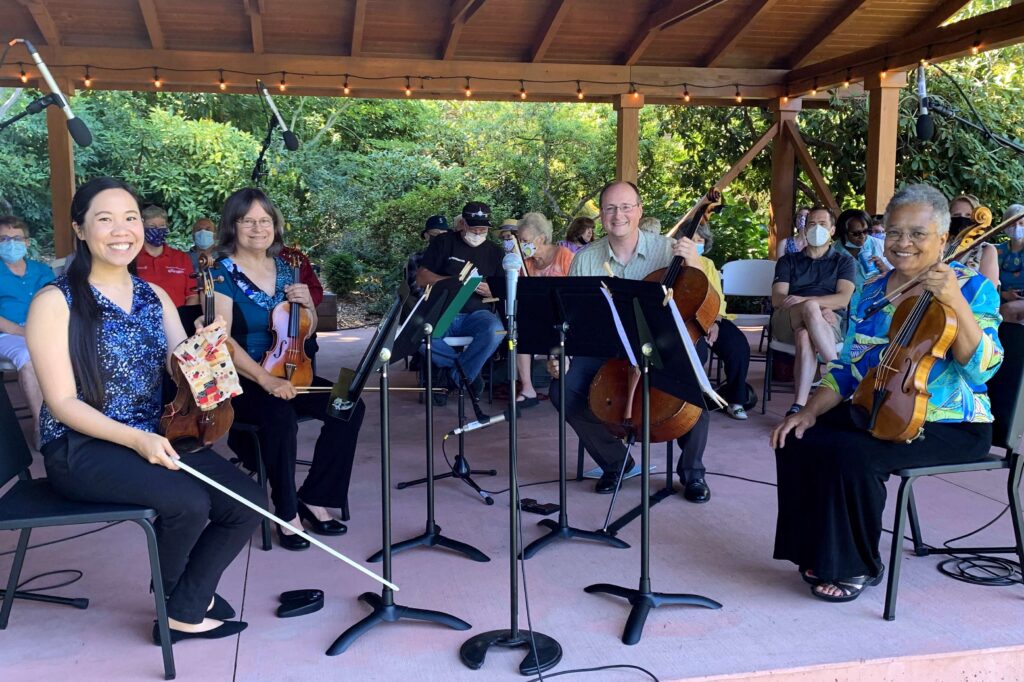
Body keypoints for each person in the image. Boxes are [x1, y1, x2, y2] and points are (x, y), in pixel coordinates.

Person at [26, 177, 262, 643]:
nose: (122, 229)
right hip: (81, 448)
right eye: (105, 218)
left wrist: (210, 348)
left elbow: (191, 377)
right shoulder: (54, 302)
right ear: (80, 228)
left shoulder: (154, 296)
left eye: (130, 217)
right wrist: (136, 439)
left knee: (247, 502)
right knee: (188, 503)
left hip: (157, 432)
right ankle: (181, 606)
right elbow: (61, 403)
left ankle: (183, 597)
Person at [770, 183, 1003, 603]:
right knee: (798, 437)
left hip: (951, 423)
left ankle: (857, 564)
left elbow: (984, 366)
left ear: (943, 239)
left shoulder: (971, 288)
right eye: (895, 232)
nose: (903, 243)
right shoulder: (874, 290)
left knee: (854, 454)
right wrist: (808, 410)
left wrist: (956, 303)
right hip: (878, 405)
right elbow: (846, 368)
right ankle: (815, 551)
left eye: (917, 233)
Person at [212, 187, 365, 551]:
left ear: (274, 226)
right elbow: (220, 340)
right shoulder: (222, 275)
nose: (257, 228)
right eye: (247, 221)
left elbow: (304, 328)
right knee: (279, 417)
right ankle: (286, 510)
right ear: (232, 227)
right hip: (246, 377)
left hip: (293, 370)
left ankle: (316, 495)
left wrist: (309, 305)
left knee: (349, 405)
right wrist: (264, 378)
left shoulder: (286, 269)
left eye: (264, 220)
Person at [547, 180, 712, 503]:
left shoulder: (669, 250)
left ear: (639, 211)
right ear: (601, 216)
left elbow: (704, 298)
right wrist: (562, 354)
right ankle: (617, 463)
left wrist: (692, 262)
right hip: (608, 346)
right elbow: (576, 320)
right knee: (561, 390)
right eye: (609, 208)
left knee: (695, 386)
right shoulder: (585, 260)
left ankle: (693, 472)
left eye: (625, 207)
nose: (617, 214)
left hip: (663, 342)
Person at [771, 206, 856, 416]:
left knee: (805, 334)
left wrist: (813, 306)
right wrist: (817, 305)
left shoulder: (844, 261)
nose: (816, 228)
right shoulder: (788, 261)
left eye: (822, 224)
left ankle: (798, 405)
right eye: (811, 224)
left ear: (833, 230)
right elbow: (778, 298)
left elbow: (844, 298)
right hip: (788, 319)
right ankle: (837, 371)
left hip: (828, 321)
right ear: (804, 228)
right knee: (809, 309)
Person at [415, 202, 505, 396]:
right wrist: (454, 282)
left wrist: (493, 290)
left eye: (483, 229)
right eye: (474, 228)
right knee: (419, 336)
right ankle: (465, 372)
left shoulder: (495, 252)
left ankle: (453, 375)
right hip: (442, 310)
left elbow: (503, 290)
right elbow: (421, 278)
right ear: (463, 224)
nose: (479, 233)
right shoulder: (444, 242)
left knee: (496, 331)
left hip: (478, 313)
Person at [689, 219, 751, 420]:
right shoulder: (668, 263)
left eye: (700, 240)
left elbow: (717, 298)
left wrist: (715, 322)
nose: (696, 244)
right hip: (683, 321)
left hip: (710, 317)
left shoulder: (707, 264)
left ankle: (735, 400)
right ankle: (688, 401)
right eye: (692, 240)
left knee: (737, 345)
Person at [0, 215, 54, 436]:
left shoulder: (42, 271)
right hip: (7, 335)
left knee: (82, 349)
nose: (10, 243)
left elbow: (58, 302)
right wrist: (22, 331)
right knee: (29, 358)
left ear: (27, 242)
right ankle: (43, 427)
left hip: (44, 331)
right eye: (3, 238)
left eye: (16, 238)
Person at [514, 212, 573, 407]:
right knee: (519, 330)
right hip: (539, 315)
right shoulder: (527, 264)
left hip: (563, 315)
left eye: (524, 240)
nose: (521, 245)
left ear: (540, 238)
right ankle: (528, 389)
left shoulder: (564, 256)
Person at [833, 208, 891, 357]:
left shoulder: (877, 245)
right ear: (843, 232)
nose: (862, 237)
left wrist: (883, 269)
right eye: (856, 233)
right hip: (846, 303)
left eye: (866, 231)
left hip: (875, 301)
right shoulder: (834, 251)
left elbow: (896, 276)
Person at [134, 205, 198, 308]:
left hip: (179, 319)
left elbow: (193, 296)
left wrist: (181, 319)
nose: (158, 230)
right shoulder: (132, 258)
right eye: (152, 226)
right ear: (142, 227)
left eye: (162, 226)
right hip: (142, 321)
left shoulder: (181, 257)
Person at [949, 194, 999, 285]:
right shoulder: (938, 246)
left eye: (968, 216)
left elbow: (987, 295)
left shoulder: (986, 250)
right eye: (956, 215)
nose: (962, 219)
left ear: (979, 219)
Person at [406, 215, 450, 299]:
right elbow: (415, 287)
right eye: (436, 234)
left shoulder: (454, 256)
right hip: (429, 306)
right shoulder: (416, 259)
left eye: (444, 234)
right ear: (426, 236)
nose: (441, 238)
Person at [996, 203, 1024, 323]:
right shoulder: (998, 251)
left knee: (1008, 310)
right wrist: (1005, 294)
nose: (1017, 227)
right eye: (1012, 224)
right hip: (1001, 301)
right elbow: (990, 281)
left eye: (1021, 223)